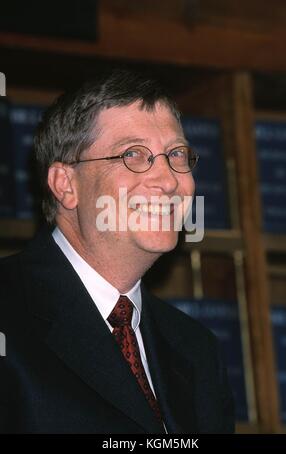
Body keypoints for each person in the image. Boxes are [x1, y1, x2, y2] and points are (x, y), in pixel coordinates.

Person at [0, 69, 234, 434]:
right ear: (66, 185)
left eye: (177, 154)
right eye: (134, 154)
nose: (169, 179)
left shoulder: (197, 350)